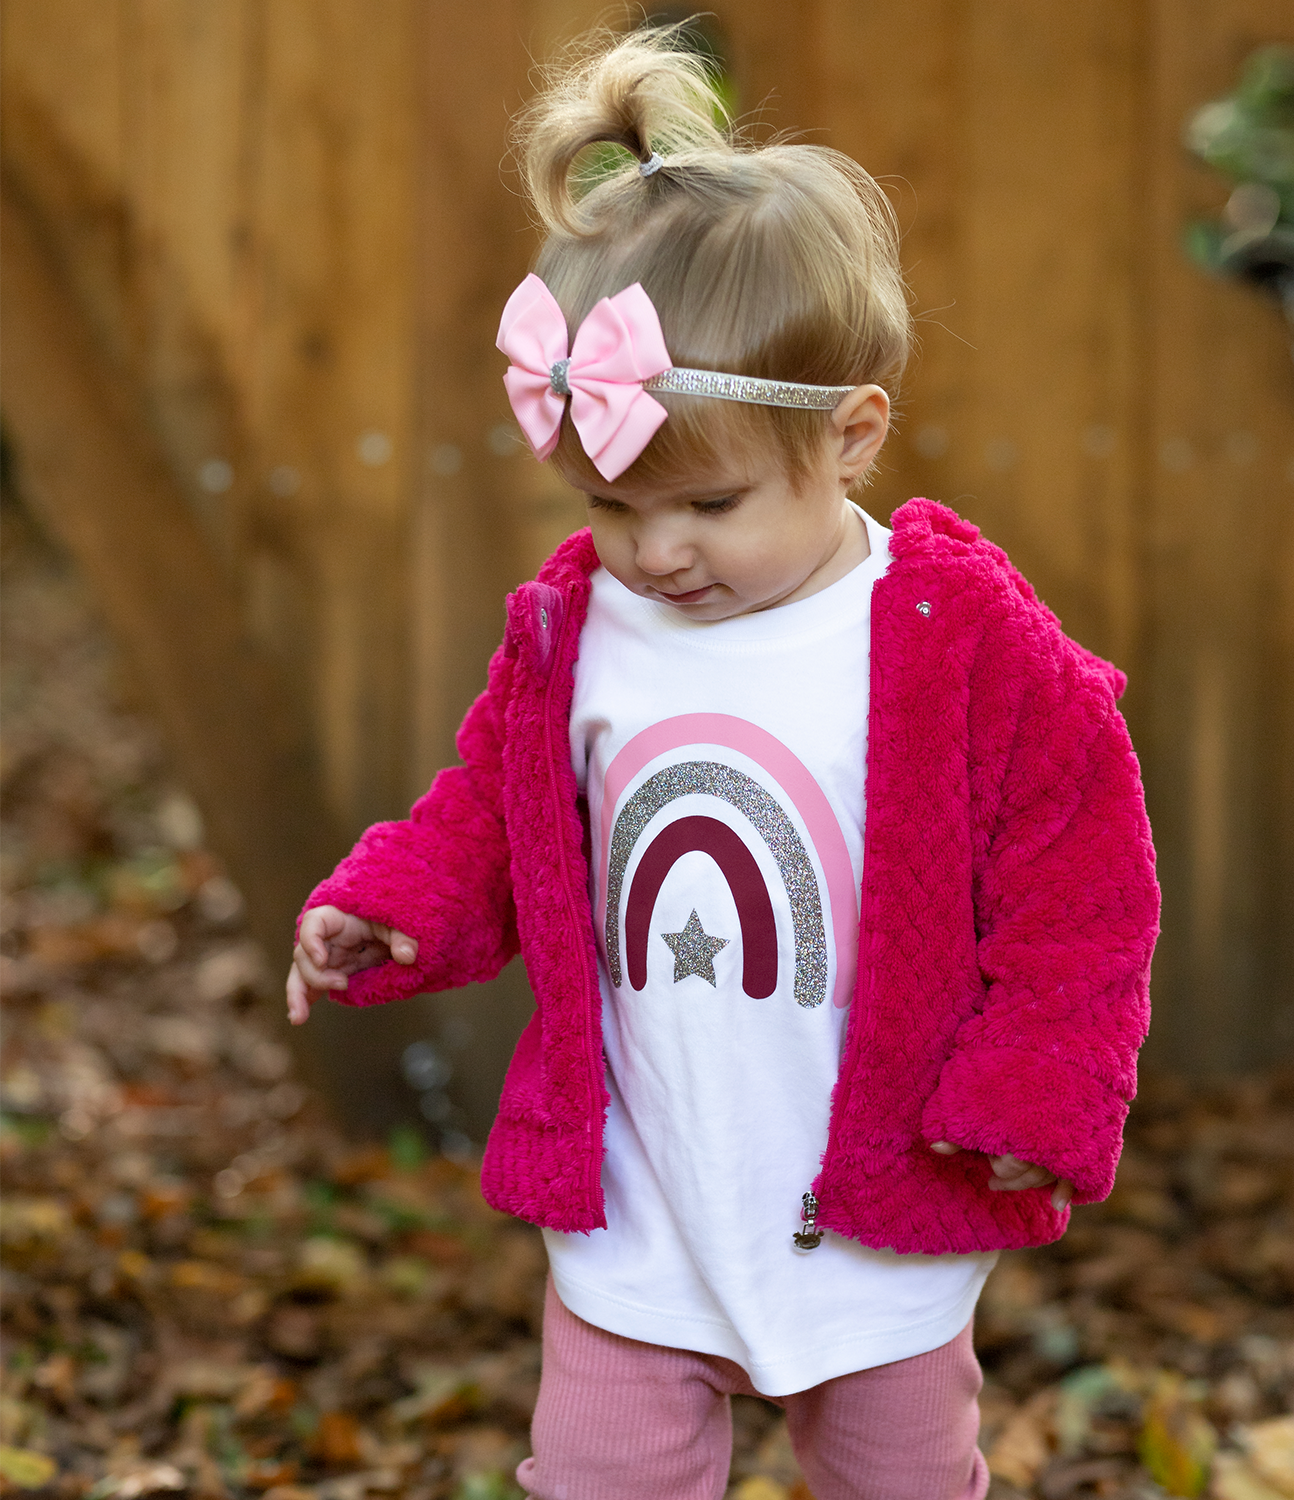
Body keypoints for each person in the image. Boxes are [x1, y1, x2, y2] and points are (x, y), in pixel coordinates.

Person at [286, 27, 1158, 1500]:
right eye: (616, 510)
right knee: (598, 1473)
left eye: (710, 502)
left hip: (870, 1196)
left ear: (856, 435)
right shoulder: (580, 627)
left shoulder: (956, 642)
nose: (658, 552)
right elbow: (499, 813)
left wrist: (1034, 1093)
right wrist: (399, 905)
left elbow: (1081, 886)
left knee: (899, 1478)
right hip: (645, 1200)